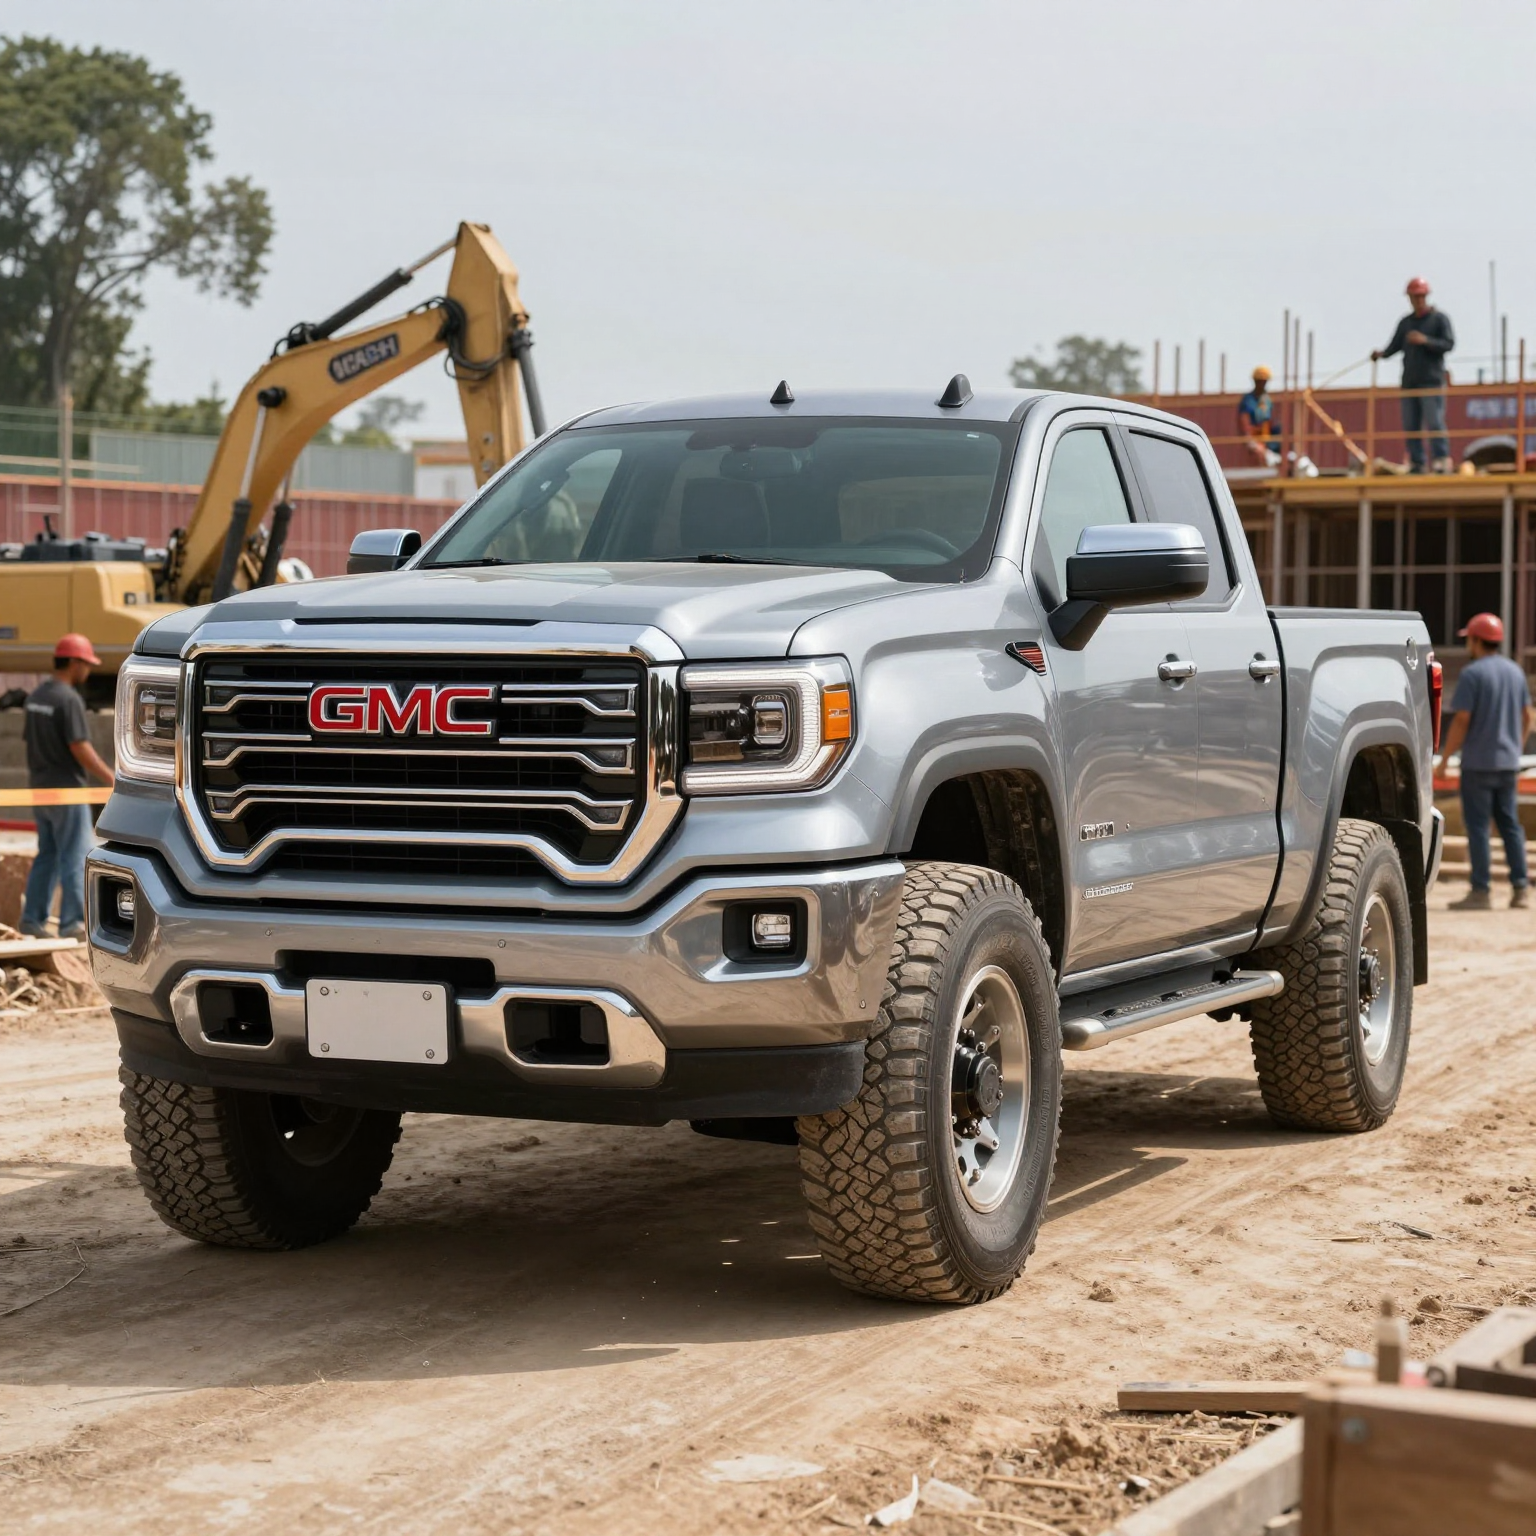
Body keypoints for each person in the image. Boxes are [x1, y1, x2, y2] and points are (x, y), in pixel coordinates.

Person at [1436, 612, 1534, 910]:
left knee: (1478, 827)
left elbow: (1463, 719)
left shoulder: (1472, 674)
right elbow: (1527, 716)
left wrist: (1445, 759)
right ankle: (1520, 889)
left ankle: (1481, 890)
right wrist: (1514, 746)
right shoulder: (1515, 672)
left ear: (1476, 640)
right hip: (1507, 763)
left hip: (1478, 763)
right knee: (1510, 825)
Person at [18, 634, 114, 939]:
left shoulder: (36, 697)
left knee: (47, 853)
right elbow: (79, 746)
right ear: (74, 662)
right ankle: (72, 923)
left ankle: (32, 920)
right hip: (67, 790)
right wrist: (111, 778)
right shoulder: (68, 698)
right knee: (75, 855)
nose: (88, 671)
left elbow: (29, 743)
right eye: (87, 664)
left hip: (40, 788)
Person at [1372, 276, 1455, 474]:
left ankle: (1441, 460)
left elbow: (1448, 344)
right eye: (1413, 296)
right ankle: (1417, 463)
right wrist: (1381, 354)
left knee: (1434, 422)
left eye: (1420, 296)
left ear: (1425, 296)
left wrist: (1425, 340)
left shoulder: (1438, 319)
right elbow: (1394, 346)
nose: (1417, 300)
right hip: (1410, 383)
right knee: (1411, 425)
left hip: (1431, 382)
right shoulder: (1406, 323)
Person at [1237, 366, 1281, 465]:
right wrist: (1250, 441)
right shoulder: (1248, 401)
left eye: (1264, 381)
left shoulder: (1267, 400)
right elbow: (1244, 422)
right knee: (1259, 454)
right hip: (1254, 437)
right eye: (1259, 381)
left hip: (1267, 438)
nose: (1262, 384)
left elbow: (1271, 421)